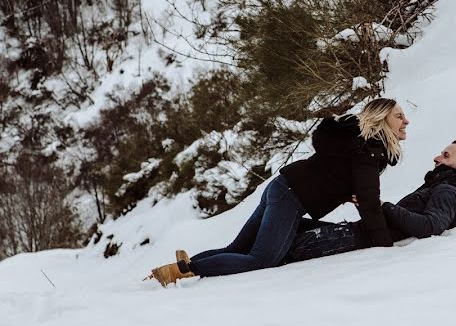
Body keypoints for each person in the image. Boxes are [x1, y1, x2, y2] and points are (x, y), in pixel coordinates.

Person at [145, 98, 409, 287]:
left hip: (282, 187)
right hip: (290, 197)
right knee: (263, 259)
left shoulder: (359, 144)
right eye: (398, 116)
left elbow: (354, 186)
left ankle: (174, 269)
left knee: (238, 247)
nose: (405, 120)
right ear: (380, 118)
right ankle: (186, 271)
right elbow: (370, 202)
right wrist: (384, 245)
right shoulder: (368, 150)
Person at [282, 139, 456, 264]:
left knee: (284, 246)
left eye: (445, 155)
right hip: (358, 232)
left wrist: (383, 207)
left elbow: (431, 226)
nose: (436, 157)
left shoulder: (449, 191)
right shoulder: (440, 186)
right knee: (288, 226)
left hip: (356, 239)